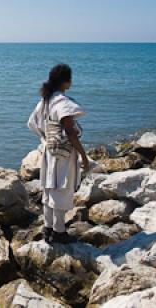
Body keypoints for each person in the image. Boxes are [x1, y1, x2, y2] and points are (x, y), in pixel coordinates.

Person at [27, 64, 90, 244]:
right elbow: (70, 132)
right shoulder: (62, 102)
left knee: (49, 188)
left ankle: (48, 229)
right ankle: (60, 233)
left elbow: (32, 123)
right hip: (63, 153)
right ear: (66, 81)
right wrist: (84, 156)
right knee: (62, 189)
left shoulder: (45, 101)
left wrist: (46, 138)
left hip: (49, 151)